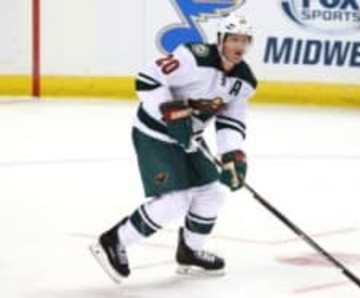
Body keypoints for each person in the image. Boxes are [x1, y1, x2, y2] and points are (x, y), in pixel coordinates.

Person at [89, 13, 257, 283]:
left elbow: (230, 119)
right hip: (155, 133)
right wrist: (172, 114)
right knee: (174, 200)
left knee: (212, 192)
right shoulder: (193, 57)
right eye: (234, 39)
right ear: (221, 40)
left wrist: (232, 154)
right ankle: (113, 241)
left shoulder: (244, 81)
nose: (239, 46)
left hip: (190, 139)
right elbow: (146, 80)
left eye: (245, 41)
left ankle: (190, 251)